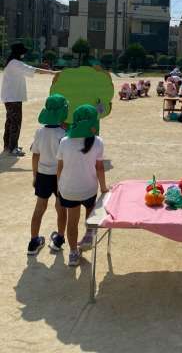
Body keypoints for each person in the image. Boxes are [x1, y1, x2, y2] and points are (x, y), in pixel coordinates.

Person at [57, 104, 108, 267]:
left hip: (68, 189)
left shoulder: (64, 141)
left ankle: (73, 253)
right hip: (89, 189)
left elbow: (60, 167)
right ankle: (89, 235)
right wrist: (104, 188)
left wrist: (59, 186)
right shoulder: (98, 142)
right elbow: (100, 168)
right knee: (90, 213)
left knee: (72, 222)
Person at [27, 94, 68, 256]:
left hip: (42, 174)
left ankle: (33, 241)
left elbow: (35, 155)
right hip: (60, 176)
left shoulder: (39, 132)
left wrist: (35, 176)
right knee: (61, 208)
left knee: (39, 207)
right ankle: (59, 239)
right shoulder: (64, 134)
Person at [1, 42, 56, 156]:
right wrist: (52, 72)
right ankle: (13, 148)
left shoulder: (12, 63)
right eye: (22, 52)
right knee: (15, 122)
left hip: (10, 97)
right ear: (19, 53)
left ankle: (8, 145)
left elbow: (31, 70)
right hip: (13, 98)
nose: (24, 54)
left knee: (10, 121)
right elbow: (34, 70)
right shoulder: (16, 63)